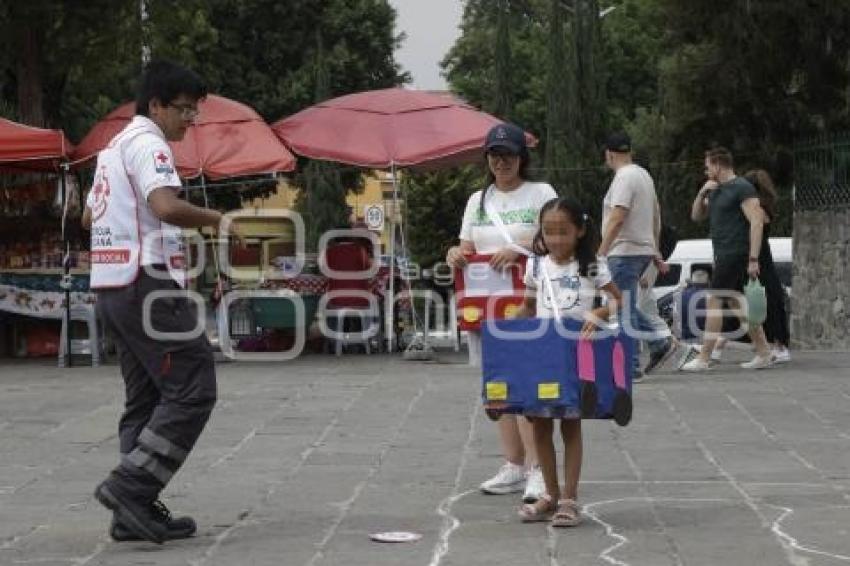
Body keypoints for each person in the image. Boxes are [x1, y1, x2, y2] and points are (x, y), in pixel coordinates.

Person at [88, 61, 238, 544]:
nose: (189, 120)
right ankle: (132, 487)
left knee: (146, 399)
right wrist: (219, 221)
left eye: (194, 111)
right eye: (184, 110)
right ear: (155, 105)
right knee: (194, 385)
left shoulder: (111, 149)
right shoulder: (150, 144)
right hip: (145, 283)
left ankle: (133, 512)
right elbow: (166, 206)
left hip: (112, 284)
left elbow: (92, 217)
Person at [446, 123, 557, 503]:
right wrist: (454, 254)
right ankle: (513, 463)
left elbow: (557, 235)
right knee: (497, 386)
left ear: (521, 157)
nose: (501, 161)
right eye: (494, 154)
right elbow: (465, 246)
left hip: (527, 303)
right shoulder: (477, 200)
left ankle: (539, 470)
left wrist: (523, 248)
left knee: (528, 386)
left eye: (508, 154)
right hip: (485, 308)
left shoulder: (541, 193)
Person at [515, 197, 621, 526]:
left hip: (577, 356)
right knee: (540, 426)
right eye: (549, 232)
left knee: (571, 425)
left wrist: (601, 312)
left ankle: (569, 498)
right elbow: (528, 309)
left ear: (580, 230)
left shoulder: (592, 265)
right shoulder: (535, 266)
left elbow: (618, 300)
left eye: (563, 231)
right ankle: (550, 493)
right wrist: (505, 332)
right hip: (543, 356)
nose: (555, 239)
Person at [680, 147, 774, 371]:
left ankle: (704, 357)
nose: (706, 170)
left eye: (707, 166)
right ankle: (763, 352)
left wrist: (753, 258)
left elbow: (757, 222)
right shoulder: (714, 190)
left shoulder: (742, 187)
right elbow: (695, 216)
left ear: (718, 165)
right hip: (723, 254)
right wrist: (702, 192)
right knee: (735, 303)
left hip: (736, 253)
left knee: (714, 301)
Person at [599, 132, 679, 376]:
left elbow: (618, 216)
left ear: (609, 154)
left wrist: (601, 251)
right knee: (626, 305)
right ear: (629, 152)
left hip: (623, 250)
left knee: (621, 308)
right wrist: (653, 249)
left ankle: (631, 366)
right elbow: (656, 214)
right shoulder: (644, 175)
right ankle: (659, 342)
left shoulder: (623, 178)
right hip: (641, 249)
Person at [744, 169, 791, 363]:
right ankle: (772, 344)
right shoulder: (764, 206)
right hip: (763, 255)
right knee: (767, 299)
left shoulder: (759, 209)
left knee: (769, 300)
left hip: (761, 256)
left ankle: (777, 345)